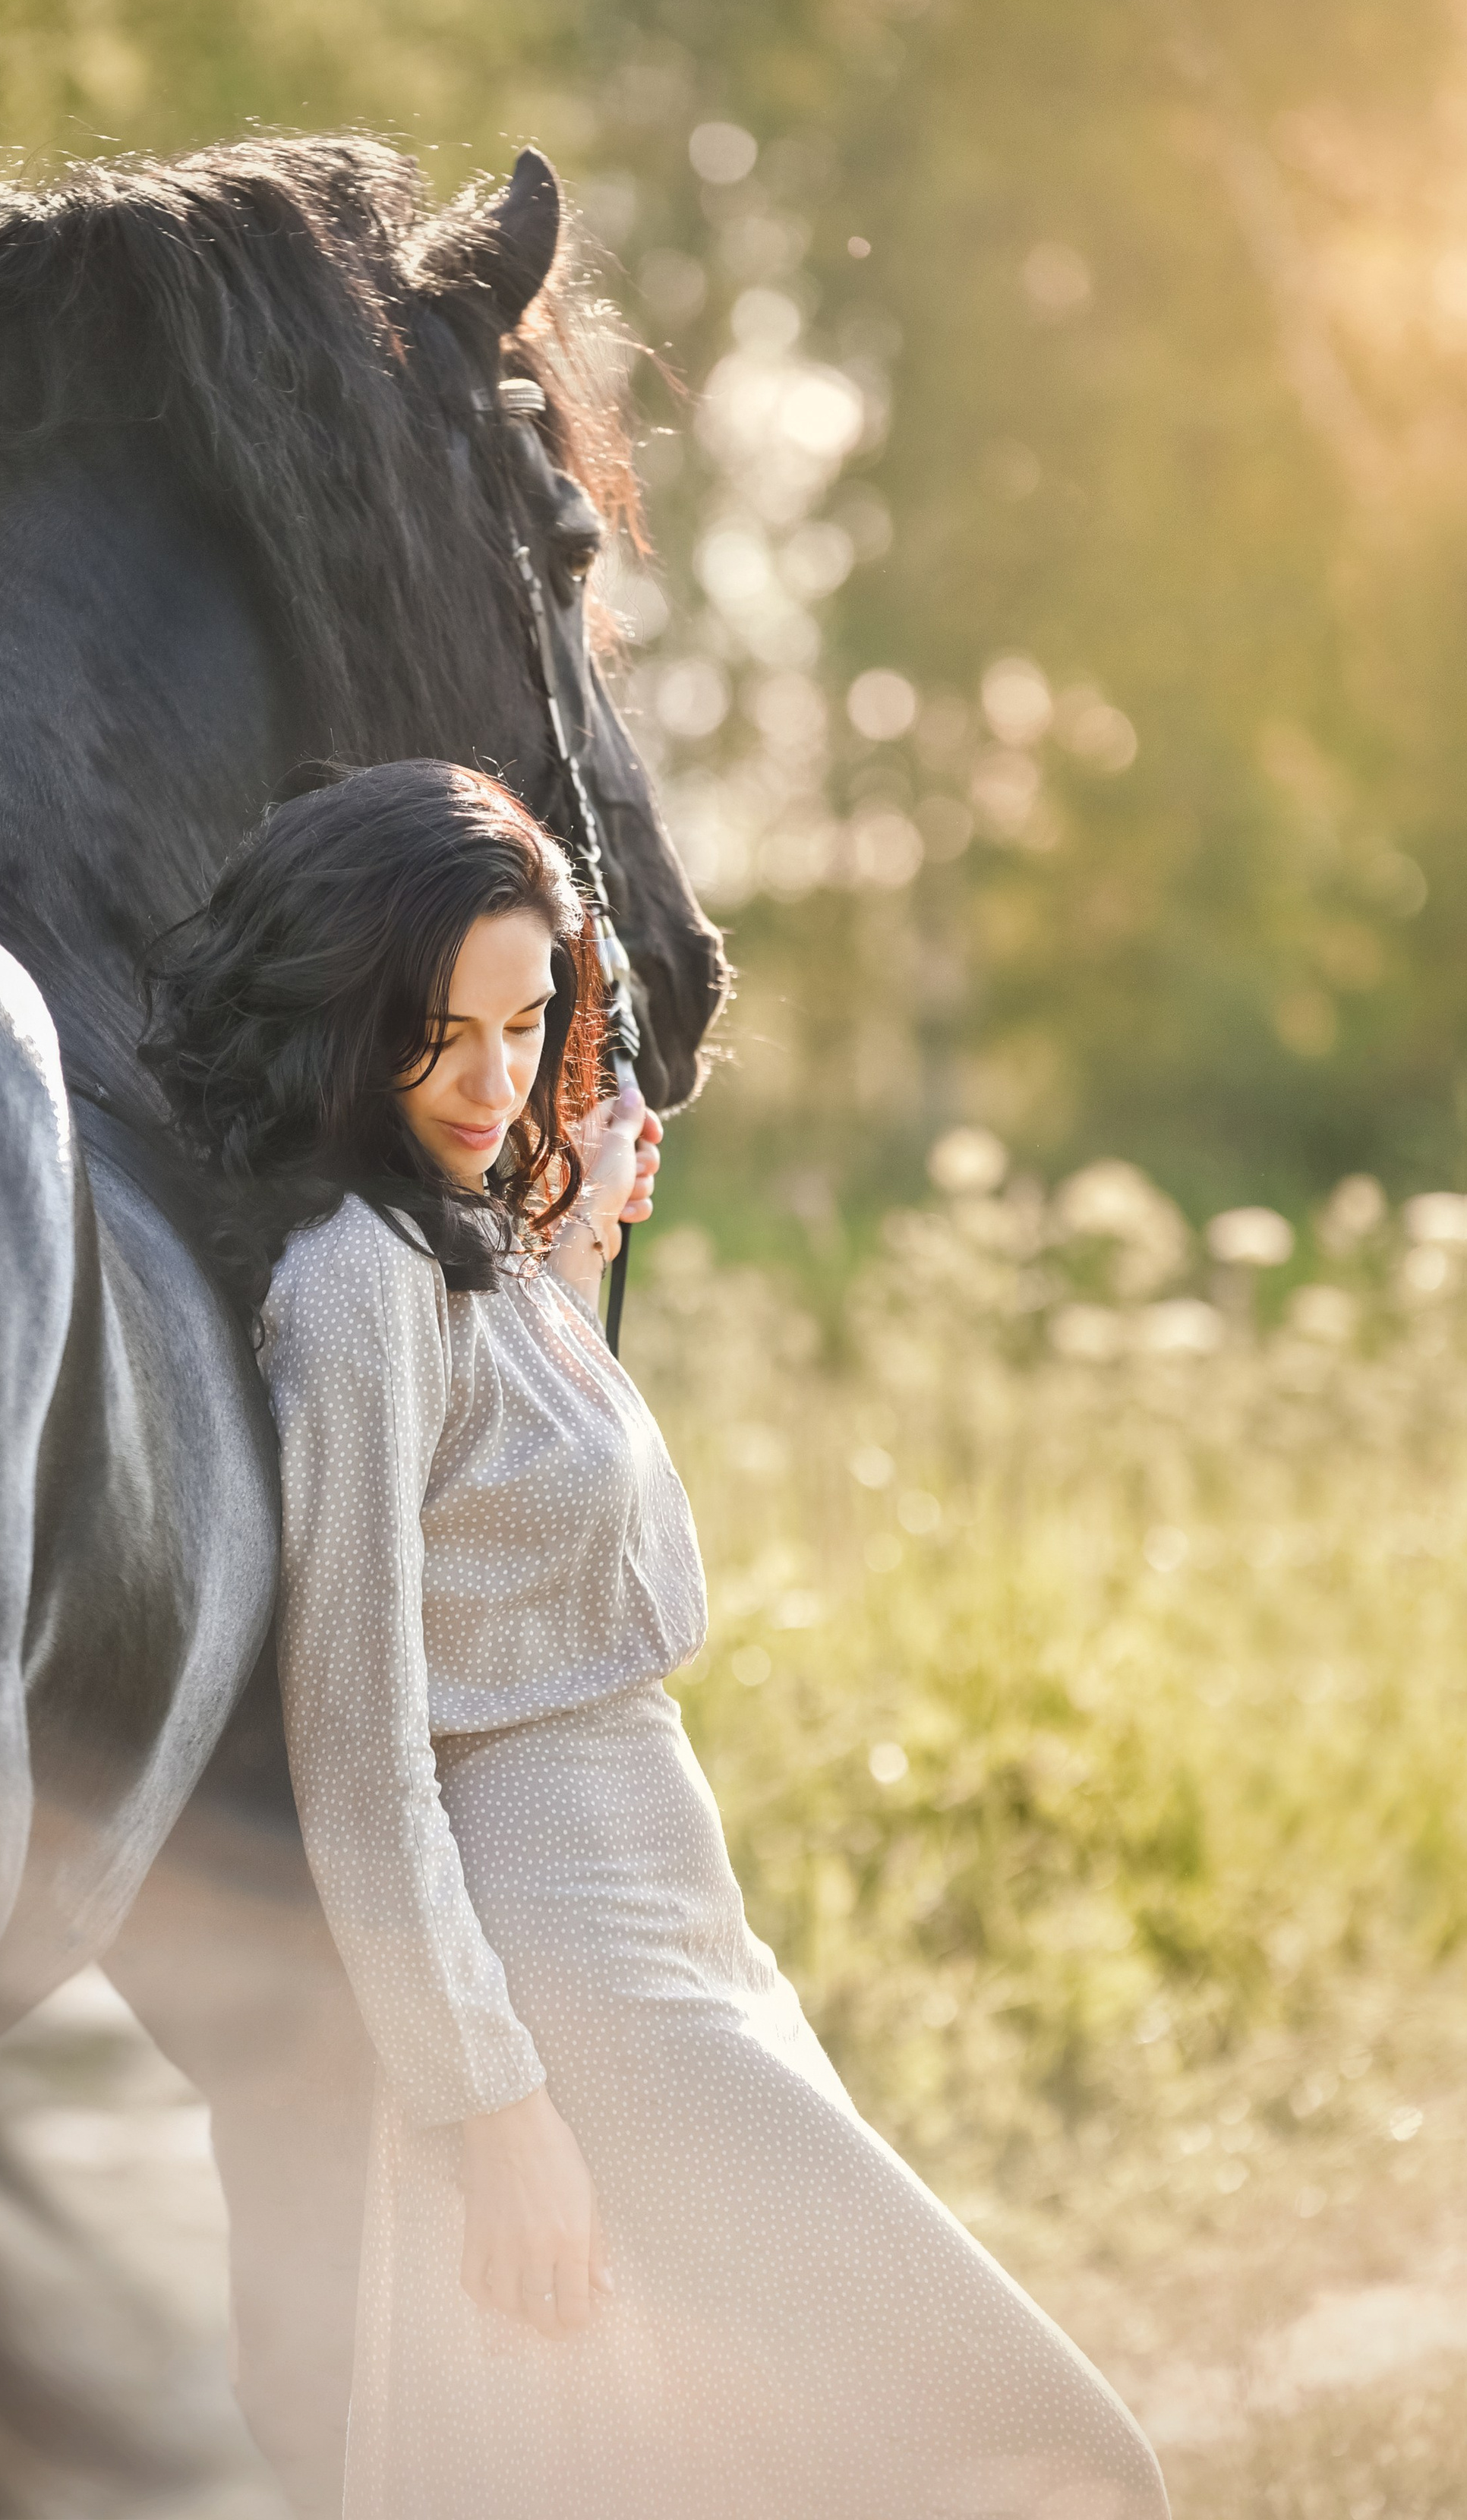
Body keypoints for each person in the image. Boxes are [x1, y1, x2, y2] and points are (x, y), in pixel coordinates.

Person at [147, 759, 1169, 2520]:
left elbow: (482, 1447)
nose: (492, 1080)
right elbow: (362, 1750)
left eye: (527, 1022)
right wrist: (495, 2107)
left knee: (737, 2449)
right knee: (1032, 2450)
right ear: (337, 1019)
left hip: (667, 1913)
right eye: (434, 1034)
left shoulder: (445, 1255)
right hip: (570, 1974)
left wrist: (551, 1231)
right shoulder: (353, 1286)